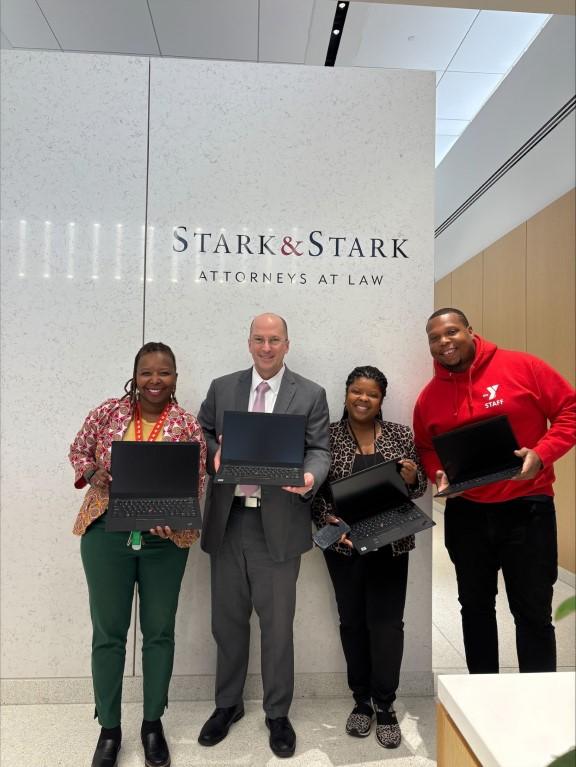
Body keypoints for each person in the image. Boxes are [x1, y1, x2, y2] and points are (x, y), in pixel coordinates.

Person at [196, 312, 330, 759]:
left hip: (279, 522)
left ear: (287, 344)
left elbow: (319, 449)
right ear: (249, 342)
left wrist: (309, 478)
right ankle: (227, 705)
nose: (266, 347)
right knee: (227, 622)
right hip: (229, 519)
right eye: (259, 339)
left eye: (274, 340)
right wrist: (215, 453)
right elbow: (202, 432)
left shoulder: (310, 393)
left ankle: (277, 713)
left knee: (277, 626)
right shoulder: (223, 388)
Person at [413, 308, 576, 674]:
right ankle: (481, 693)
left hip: (528, 508)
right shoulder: (429, 397)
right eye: (434, 338)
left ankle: (537, 697)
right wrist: (437, 474)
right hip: (467, 513)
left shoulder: (523, 367)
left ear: (470, 331)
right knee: (474, 608)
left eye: (451, 332)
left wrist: (542, 454)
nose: (444, 342)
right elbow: (425, 446)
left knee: (532, 610)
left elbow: (570, 410)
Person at [69, 341, 207, 767]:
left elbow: (197, 480)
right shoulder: (107, 413)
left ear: (176, 378)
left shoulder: (187, 425)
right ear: (135, 375)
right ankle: (109, 729)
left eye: (164, 372)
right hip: (106, 533)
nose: (154, 380)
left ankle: (152, 725)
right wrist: (93, 471)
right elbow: (78, 451)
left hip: (164, 541)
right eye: (147, 372)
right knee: (108, 633)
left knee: (159, 632)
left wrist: (173, 517)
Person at [311, 366, 427, 749]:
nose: (363, 399)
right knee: (353, 623)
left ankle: (385, 704)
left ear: (381, 400)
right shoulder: (326, 436)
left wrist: (412, 478)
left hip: (391, 541)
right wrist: (326, 518)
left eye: (372, 394)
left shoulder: (400, 434)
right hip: (344, 543)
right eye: (356, 392)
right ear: (346, 393)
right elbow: (314, 493)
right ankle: (361, 701)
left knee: (388, 625)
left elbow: (419, 485)